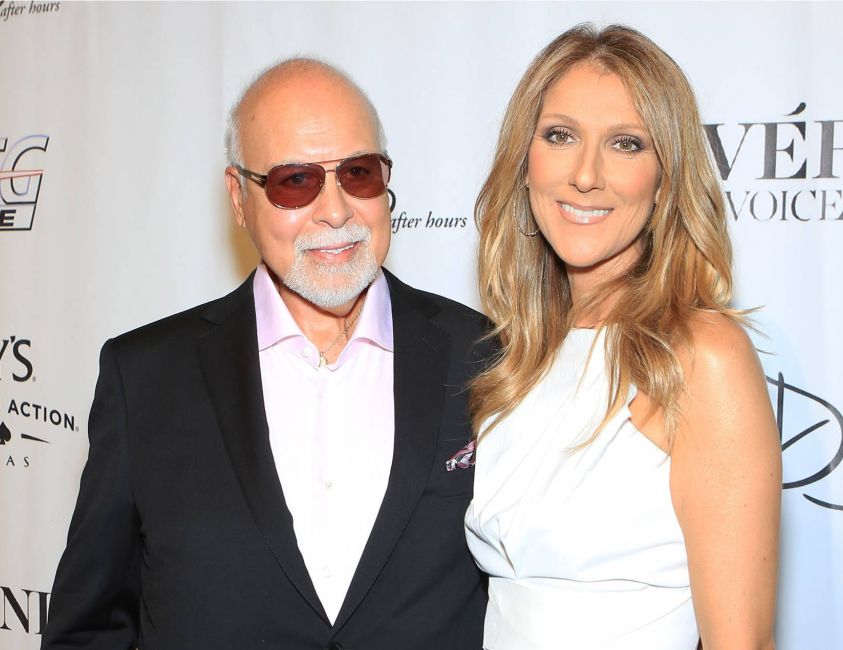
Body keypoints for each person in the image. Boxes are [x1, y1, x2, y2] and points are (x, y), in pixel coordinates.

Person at [42, 58, 489, 649]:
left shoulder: (486, 355)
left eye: (358, 173)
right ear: (238, 197)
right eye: (295, 181)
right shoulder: (146, 378)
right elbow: (91, 629)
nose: (335, 210)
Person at [464, 24, 782, 650]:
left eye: (627, 144)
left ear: (666, 181)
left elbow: (740, 641)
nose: (586, 175)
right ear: (524, 161)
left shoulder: (700, 357)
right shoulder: (519, 359)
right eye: (560, 136)